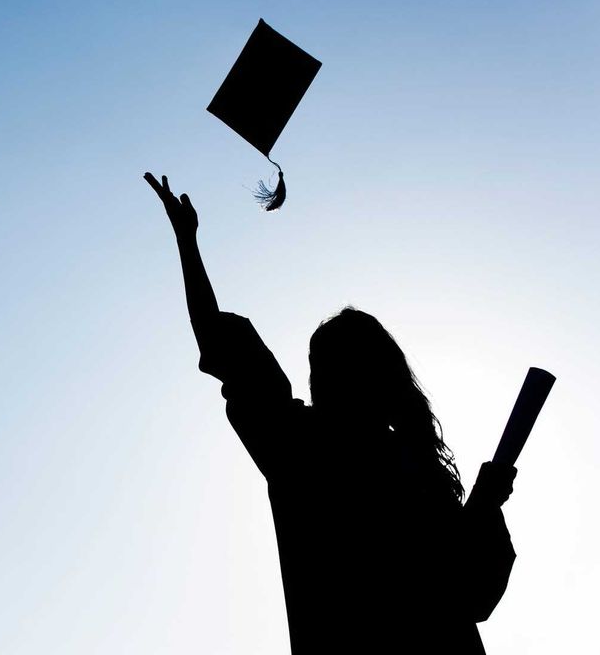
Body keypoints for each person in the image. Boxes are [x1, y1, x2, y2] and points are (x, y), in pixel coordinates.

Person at [144, 172, 518, 655]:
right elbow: (223, 343)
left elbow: (470, 594)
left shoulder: (345, 454)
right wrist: (187, 245)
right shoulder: (304, 446)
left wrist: (485, 508)